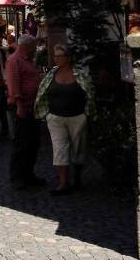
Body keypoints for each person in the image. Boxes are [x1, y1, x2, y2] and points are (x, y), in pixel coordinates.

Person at [35, 45, 96, 195]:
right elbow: (42, 92)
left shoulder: (80, 74)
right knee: (59, 149)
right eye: (55, 56)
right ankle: (63, 183)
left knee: (78, 149)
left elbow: (90, 93)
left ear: (67, 58)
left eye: (59, 56)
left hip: (77, 117)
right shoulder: (51, 74)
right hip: (56, 117)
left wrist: (88, 114)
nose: (55, 59)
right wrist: (45, 113)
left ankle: (77, 177)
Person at [5, 34, 44, 189]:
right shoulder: (14, 60)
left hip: (32, 106)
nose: (36, 49)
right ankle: (18, 177)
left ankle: (29, 173)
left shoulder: (27, 59)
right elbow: (14, 85)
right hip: (22, 107)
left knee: (33, 143)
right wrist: (20, 105)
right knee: (21, 143)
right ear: (27, 46)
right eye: (34, 46)